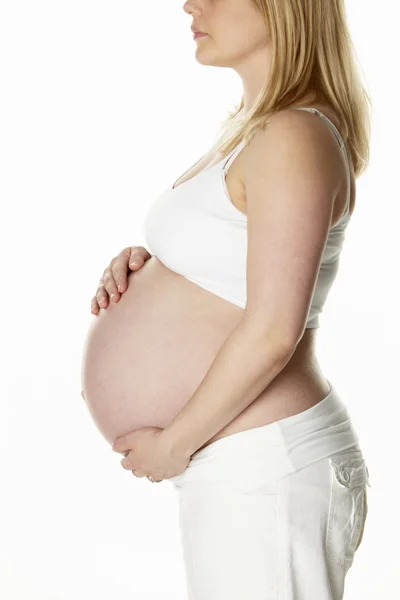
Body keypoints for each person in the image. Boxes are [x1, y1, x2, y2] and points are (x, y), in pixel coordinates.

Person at [88, 0, 372, 598]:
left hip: (266, 470)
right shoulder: (255, 128)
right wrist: (151, 268)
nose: (190, 3)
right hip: (247, 468)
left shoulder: (295, 131)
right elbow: (237, 266)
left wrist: (174, 444)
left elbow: (274, 329)